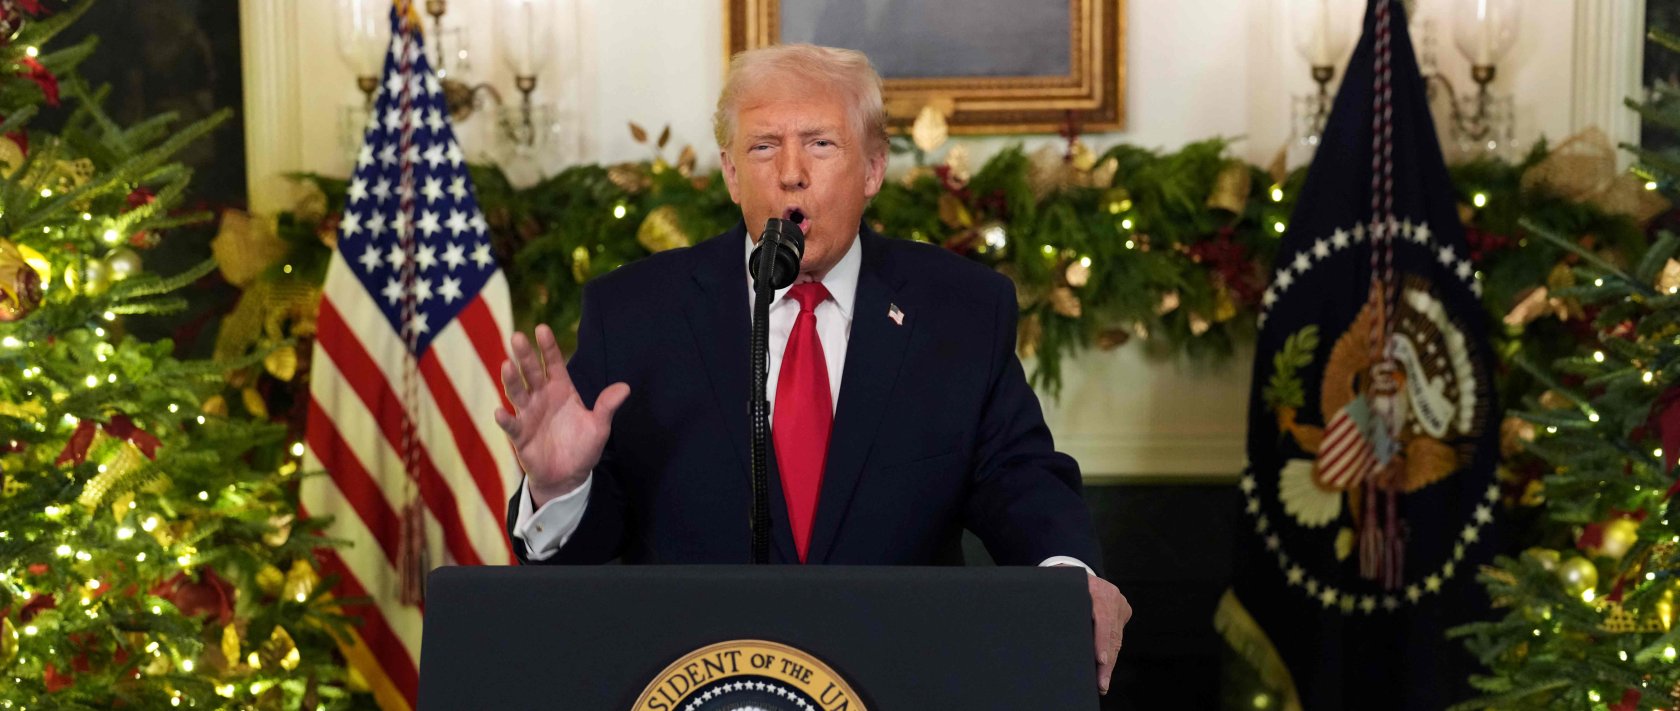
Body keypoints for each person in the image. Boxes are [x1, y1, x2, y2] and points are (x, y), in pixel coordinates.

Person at [495, 43, 1131, 695]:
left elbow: (1019, 477)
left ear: (874, 168)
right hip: (697, 687)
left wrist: (1068, 575)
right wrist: (561, 488)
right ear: (731, 173)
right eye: (764, 147)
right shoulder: (636, 311)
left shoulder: (959, 308)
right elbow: (587, 556)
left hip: (900, 679)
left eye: (821, 145)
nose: (791, 173)